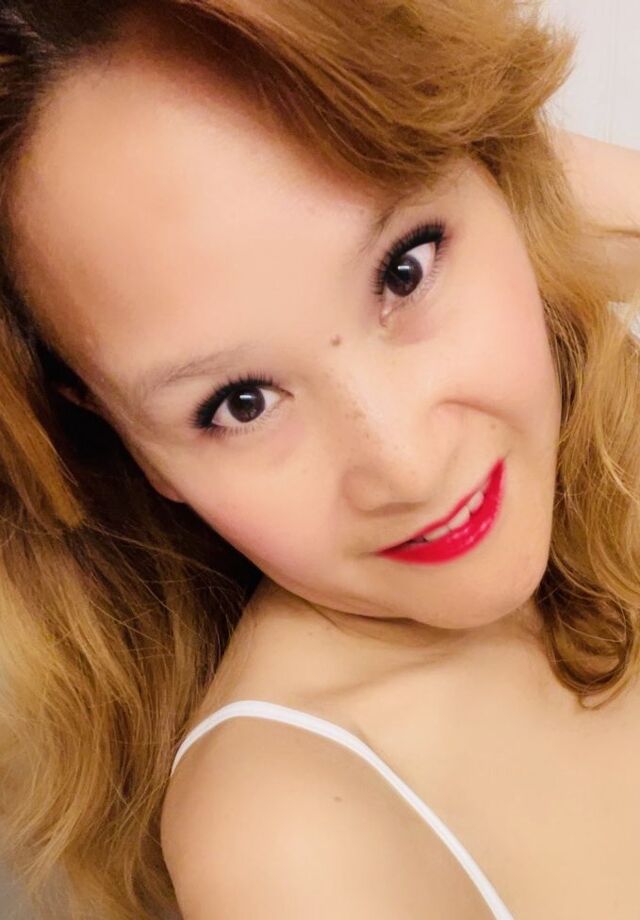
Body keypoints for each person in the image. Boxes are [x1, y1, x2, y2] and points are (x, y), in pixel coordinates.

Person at [0, 1, 638, 917]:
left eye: (405, 268)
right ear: (124, 440)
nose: (408, 466)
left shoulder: (603, 431)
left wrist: (515, 167)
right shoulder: (290, 837)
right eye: (241, 403)